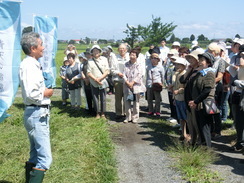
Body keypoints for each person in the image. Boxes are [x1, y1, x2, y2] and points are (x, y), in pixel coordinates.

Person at [19, 32, 54, 183]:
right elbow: (32, 93)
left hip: (35, 113)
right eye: (41, 45)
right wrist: (47, 92)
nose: (43, 48)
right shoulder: (29, 66)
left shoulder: (31, 64)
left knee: (35, 155)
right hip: (36, 113)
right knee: (45, 159)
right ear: (33, 48)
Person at [188, 52, 216, 147]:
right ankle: (203, 146)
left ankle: (207, 148)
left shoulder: (210, 73)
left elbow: (207, 90)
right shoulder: (200, 73)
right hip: (200, 102)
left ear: (208, 62)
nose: (200, 62)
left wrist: (195, 101)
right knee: (200, 126)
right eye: (199, 60)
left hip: (207, 103)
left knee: (205, 127)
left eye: (202, 60)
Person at [180, 49, 204, 146]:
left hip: (195, 100)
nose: (190, 60)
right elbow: (182, 80)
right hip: (188, 99)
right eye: (189, 58)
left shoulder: (200, 71)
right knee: (190, 122)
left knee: (196, 123)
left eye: (192, 58)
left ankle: (198, 142)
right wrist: (188, 70)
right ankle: (193, 142)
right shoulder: (191, 70)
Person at [123, 49, 146, 123]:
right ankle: (128, 117)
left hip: (135, 86)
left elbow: (140, 75)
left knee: (136, 102)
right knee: (127, 101)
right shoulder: (126, 64)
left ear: (136, 56)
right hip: (127, 85)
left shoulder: (139, 65)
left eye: (133, 55)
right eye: (130, 54)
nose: (131, 56)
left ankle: (135, 117)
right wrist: (127, 82)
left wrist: (132, 82)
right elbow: (123, 74)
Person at [87, 45, 110, 119]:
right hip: (94, 82)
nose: (96, 52)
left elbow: (107, 71)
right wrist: (96, 80)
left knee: (103, 98)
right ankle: (97, 113)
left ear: (100, 52)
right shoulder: (90, 61)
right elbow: (89, 72)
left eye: (97, 51)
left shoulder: (104, 59)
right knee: (95, 98)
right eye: (94, 51)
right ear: (92, 53)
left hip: (102, 81)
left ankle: (103, 113)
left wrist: (100, 79)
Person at [111, 43, 130, 120]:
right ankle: (118, 113)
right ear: (118, 50)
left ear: (126, 49)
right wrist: (118, 73)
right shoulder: (115, 57)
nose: (122, 50)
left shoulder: (129, 56)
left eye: (123, 48)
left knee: (127, 98)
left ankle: (126, 113)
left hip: (127, 81)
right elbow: (112, 69)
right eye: (120, 48)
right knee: (118, 98)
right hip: (118, 80)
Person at [172, 57, 190, 141]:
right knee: (181, 117)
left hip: (183, 98)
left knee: (185, 117)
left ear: (183, 65)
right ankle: (183, 133)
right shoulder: (177, 73)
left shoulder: (185, 74)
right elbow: (174, 84)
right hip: (178, 98)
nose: (177, 66)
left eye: (179, 64)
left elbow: (185, 87)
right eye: (176, 64)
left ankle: (188, 134)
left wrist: (178, 91)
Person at [146, 49, 165, 117]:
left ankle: (157, 111)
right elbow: (147, 76)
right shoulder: (148, 66)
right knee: (149, 98)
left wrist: (161, 84)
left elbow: (162, 76)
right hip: (149, 84)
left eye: (155, 58)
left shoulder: (160, 67)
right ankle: (150, 110)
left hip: (157, 84)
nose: (153, 60)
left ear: (158, 60)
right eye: (152, 58)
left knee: (157, 99)